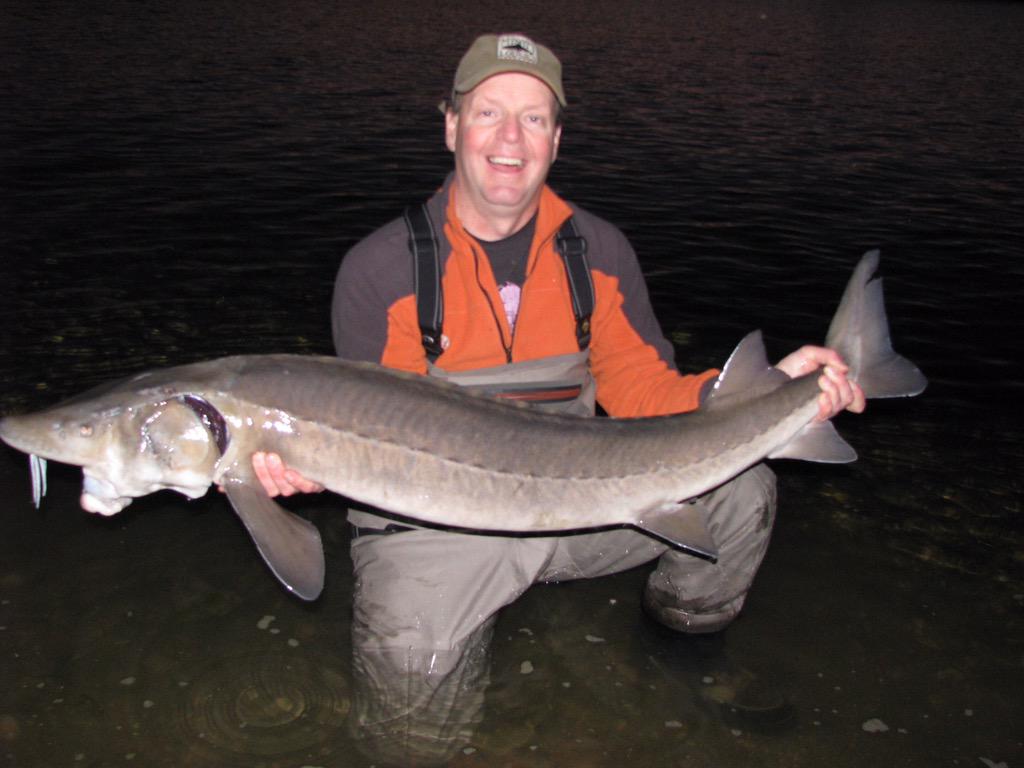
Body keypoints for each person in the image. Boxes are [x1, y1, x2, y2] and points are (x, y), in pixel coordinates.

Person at [254, 33, 864, 760]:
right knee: (412, 738)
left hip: (589, 499)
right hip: (437, 523)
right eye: (489, 112)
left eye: (534, 118)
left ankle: (682, 647)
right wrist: (303, 463)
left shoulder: (597, 251)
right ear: (451, 126)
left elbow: (644, 388)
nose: (510, 138)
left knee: (742, 488)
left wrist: (767, 394)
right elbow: (371, 433)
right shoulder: (380, 269)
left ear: (556, 140)